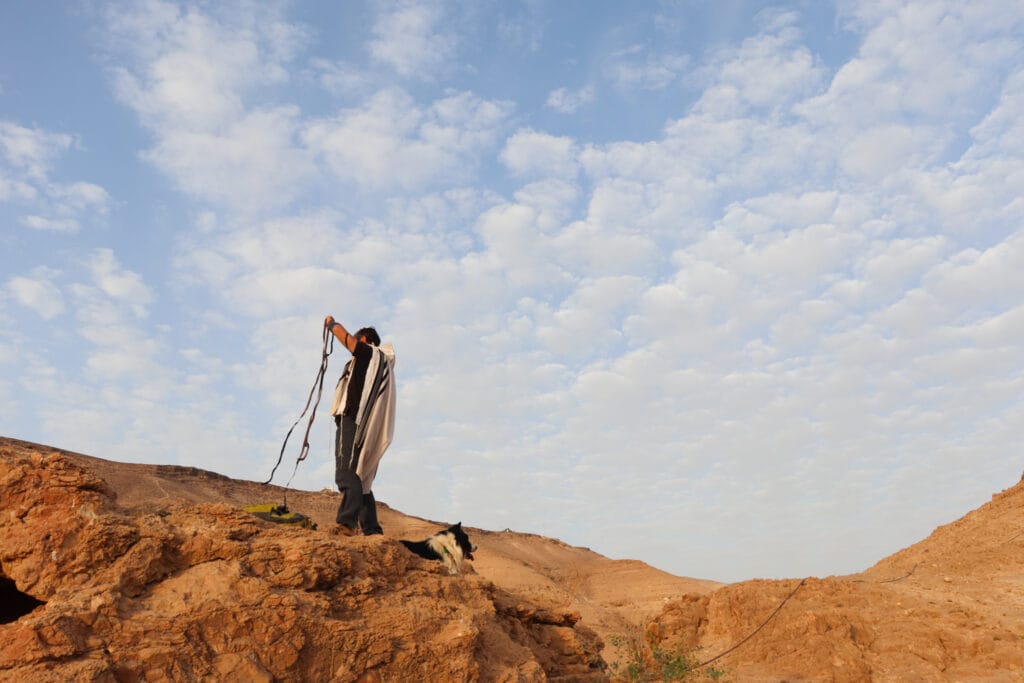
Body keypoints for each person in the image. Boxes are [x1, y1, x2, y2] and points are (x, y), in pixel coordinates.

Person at [324, 315, 396, 536]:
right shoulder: (378, 362)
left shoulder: (368, 354)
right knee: (361, 478)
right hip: (363, 425)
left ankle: (347, 523)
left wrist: (331, 325)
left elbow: (347, 340)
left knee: (346, 473)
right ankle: (372, 529)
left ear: (364, 339)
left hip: (352, 420)